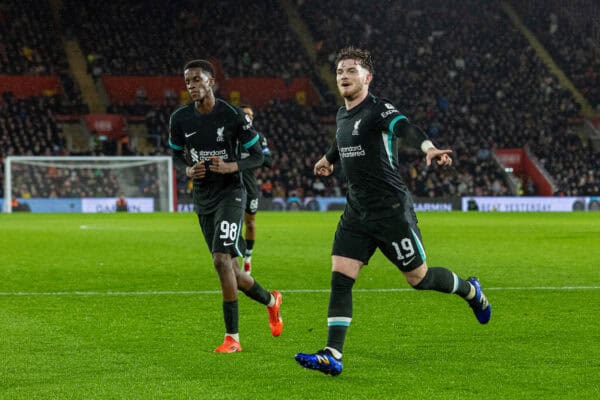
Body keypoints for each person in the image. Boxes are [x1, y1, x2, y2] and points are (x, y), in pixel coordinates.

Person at [295, 47, 491, 376]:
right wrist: (328, 159)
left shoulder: (378, 109)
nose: (343, 75)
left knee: (420, 278)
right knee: (340, 279)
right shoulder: (344, 114)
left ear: (367, 78)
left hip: (390, 211)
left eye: (351, 71)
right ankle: (333, 353)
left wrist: (428, 148)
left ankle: (471, 290)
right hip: (356, 212)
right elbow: (341, 139)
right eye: (340, 70)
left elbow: (405, 127)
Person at [169, 59, 283, 353]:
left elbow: (260, 157)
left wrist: (232, 166)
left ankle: (232, 338)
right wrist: (188, 170)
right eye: (187, 82)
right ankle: (272, 301)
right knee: (234, 270)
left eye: (196, 79)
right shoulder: (179, 119)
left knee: (221, 260)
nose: (191, 86)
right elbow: (177, 154)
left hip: (232, 194)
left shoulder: (233, 116)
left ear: (211, 81)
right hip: (203, 198)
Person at [239, 104, 273, 274]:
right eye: (246, 114)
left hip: (250, 185)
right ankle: (230, 257)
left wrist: (253, 155)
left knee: (250, 224)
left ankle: (248, 258)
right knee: (232, 223)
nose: (249, 117)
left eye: (251, 115)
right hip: (232, 185)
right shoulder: (231, 135)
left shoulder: (259, 137)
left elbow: (268, 161)